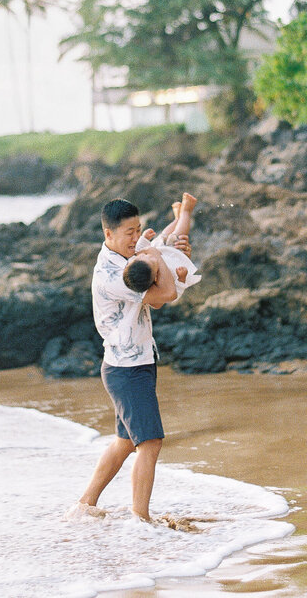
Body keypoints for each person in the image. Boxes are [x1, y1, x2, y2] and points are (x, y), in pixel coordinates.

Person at [70, 197, 188, 522]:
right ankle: (141, 520)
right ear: (109, 235)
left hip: (136, 363)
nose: (135, 238)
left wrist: (168, 255)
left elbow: (156, 256)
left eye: (138, 230)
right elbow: (165, 295)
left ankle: (85, 504)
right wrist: (161, 263)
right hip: (126, 370)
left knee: (125, 442)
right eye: (128, 233)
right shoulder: (113, 275)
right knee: (150, 443)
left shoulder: (129, 255)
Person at [123, 192, 201, 297]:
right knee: (177, 235)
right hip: (174, 255)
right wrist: (181, 278)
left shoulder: (135, 261)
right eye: (153, 261)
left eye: (145, 256)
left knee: (164, 234)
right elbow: (175, 292)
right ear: (155, 277)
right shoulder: (166, 278)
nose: (152, 255)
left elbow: (139, 249)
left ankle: (177, 219)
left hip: (158, 246)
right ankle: (186, 212)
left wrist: (144, 238)